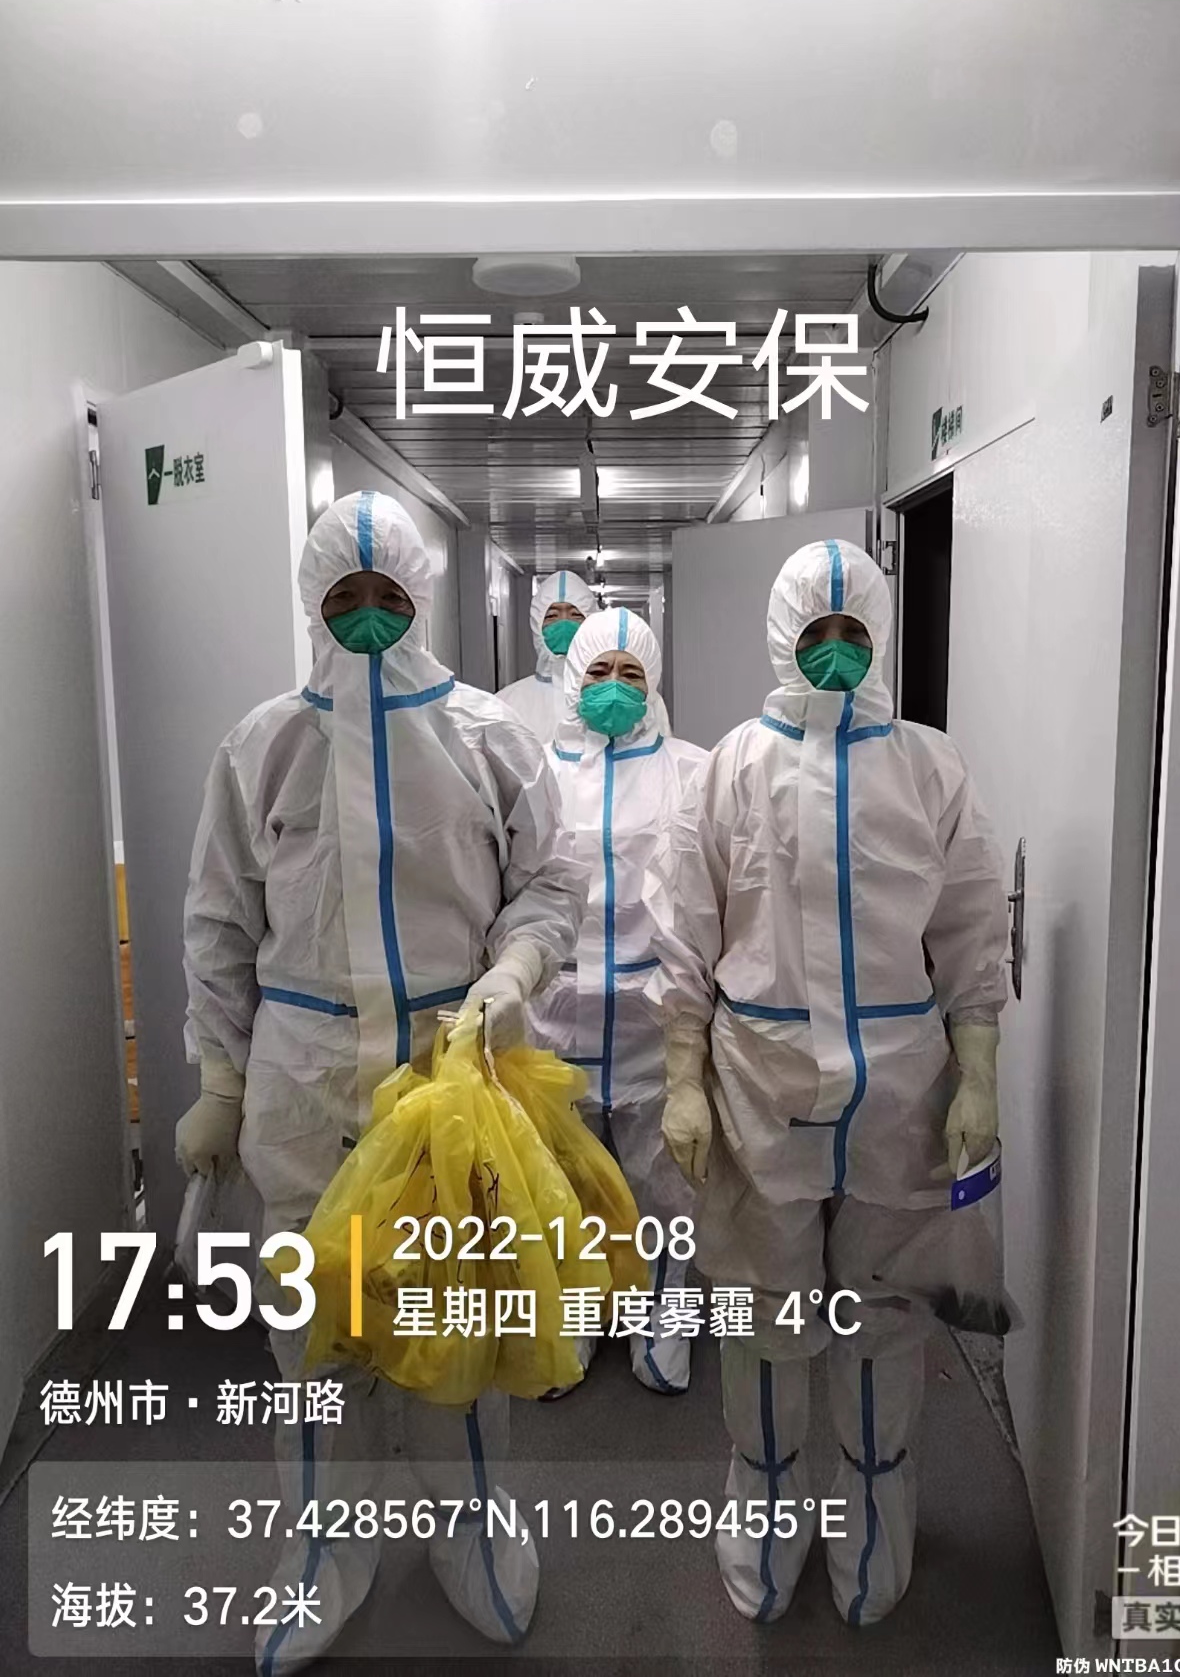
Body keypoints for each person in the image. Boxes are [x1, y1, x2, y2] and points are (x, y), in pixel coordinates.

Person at [174, 490, 585, 1674]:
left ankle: (472, 1532)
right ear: (314, 601)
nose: (365, 617)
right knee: (313, 1339)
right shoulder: (262, 744)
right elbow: (218, 923)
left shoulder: (488, 736)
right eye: (344, 597)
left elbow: (550, 881)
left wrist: (514, 967)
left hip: (447, 1077)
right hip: (303, 1086)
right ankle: (322, 1553)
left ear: (421, 597)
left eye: (387, 596)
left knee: (454, 1321)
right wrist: (217, 1077)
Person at [648, 538, 1008, 1628]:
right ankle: (764, 1508)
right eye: (818, 631)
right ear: (783, 636)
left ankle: (872, 1508)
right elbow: (685, 934)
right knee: (763, 1314)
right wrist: (681, 1078)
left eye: (855, 632)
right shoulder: (728, 768)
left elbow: (970, 929)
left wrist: (978, 1074)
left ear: (880, 637)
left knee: (884, 1315)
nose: (837, 651)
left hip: (899, 1094)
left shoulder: (929, 768)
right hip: (760, 1088)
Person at [527, 607, 706, 1394]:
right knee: (564, 1176)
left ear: (654, 682)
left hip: (649, 1012)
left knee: (662, 1178)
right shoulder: (536, 771)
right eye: (599, 672)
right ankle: (577, 1310)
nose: (614, 688)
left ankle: (664, 1313)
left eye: (631, 675)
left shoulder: (692, 770)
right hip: (556, 1010)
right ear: (574, 677)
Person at [497, 568, 596, 742]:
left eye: (575, 615)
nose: (564, 623)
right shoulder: (507, 703)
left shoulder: (609, 700)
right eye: (552, 616)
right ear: (536, 624)